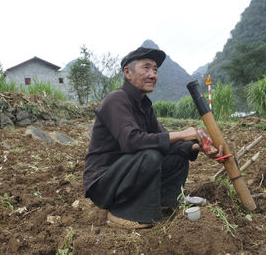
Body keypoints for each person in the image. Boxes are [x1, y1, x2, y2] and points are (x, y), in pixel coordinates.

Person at [83, 47, 222, 229]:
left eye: (155, 70)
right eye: (146, 68)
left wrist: (197, 147)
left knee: (177, 154)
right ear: (128, 72)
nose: (152, 74)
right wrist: (181, 134)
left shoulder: (145, 106)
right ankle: (121, 213)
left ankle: (164, 201)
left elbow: (164, 141)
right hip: (104, 182)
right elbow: (131, 141)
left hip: (127, 172)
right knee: (150, 154)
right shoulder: (116, 100)